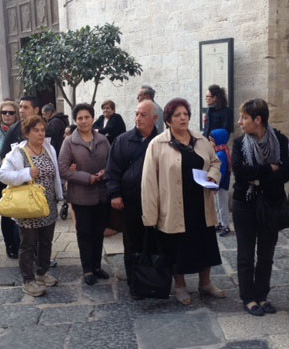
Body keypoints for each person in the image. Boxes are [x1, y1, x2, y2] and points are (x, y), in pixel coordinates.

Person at [141, 98, 224, 305]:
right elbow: (149, 181)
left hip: (200, 202)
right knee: (177, 247)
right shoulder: (157, 144)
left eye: (185, 114)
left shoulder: (201, 140)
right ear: (168, 120)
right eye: (177, 115)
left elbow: (215, 162)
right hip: (173, 205)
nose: (183, 118)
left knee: (205, 244)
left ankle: (206, 282)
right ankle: (180, 286)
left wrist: (213, 176)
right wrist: (150, 214)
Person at [232, 99, 289, 316]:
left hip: (271, 204)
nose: (240, 122)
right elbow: (240, 173)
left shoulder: (280, 141)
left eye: (244, 118)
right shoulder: (239, 144)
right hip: (244, 204)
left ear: (258, 120)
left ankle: (262, 295)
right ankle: (248, 298)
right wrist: (269, 168)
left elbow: (286, 173)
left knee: (266, 254)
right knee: (246, 255)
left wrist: (257, 178)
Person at [0, 115, 63, 297]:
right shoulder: (17, 153)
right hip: (28, 207)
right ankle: (28, 280)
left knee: (46, 242)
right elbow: (2, 175)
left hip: (48, 205)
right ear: (26, 133)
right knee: (28, 245)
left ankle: (41, 273)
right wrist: (26, 173)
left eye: (42, 130)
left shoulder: (49, 148)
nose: (41, 133)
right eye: (36, 130)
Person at [105, 100, 159, 297]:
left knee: (155, 242)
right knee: (132, 243)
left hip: (156, 202)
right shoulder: (122, 140)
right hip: (130, 201)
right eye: (136, 114)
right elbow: (112, 170)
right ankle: (135, 284)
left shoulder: (162, 141)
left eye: (143, 115)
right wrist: (115, 194)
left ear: (155, 118)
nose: (138, 118)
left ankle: (156, 280)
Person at [59, 103, 111, 285]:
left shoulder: (103, 140)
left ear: (93, 118)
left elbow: (112, 162)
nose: (83, 121)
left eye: (87, 117)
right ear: (75, 120)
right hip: (81, 195)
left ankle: (97, 266)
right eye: (80, 118)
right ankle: (87, 269)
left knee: (98, 232)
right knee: (84, 232)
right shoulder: (69, 142)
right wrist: (87, 178)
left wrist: (104, 172)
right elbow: (63, 169)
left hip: (101, 194)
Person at [0, 100, 21, 259]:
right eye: (4, 112)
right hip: (0, 176)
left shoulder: (20, 130)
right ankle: (10, 245)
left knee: (19, 210)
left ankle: (20, 243)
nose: (7, 115)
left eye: (11, 112)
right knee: (7, 211)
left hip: (17, 176)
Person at [210, 129, 232, 237]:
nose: (210, 143)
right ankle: (220, 222)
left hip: (222, 184)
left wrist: (217, 185)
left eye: (211, 140)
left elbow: (221, 172)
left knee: (222, 205)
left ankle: (225, 225)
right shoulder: (219, 151)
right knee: (218, 204)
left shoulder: (221, 154)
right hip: (219, 184)